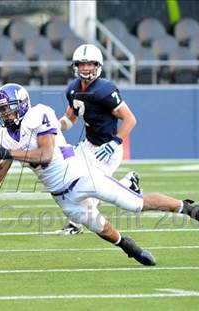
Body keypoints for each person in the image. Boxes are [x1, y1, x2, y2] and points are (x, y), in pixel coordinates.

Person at [0, 83, 199, 266]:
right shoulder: (3, 135)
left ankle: (196, 210)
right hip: (59, 194)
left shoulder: (39, 114)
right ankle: (130, 248)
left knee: (134, 204)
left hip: (80, 175)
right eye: (0, 110)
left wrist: (7, 153)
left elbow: (45, 155)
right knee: (98, 226)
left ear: (22, 105)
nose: (5, 115)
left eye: (8, 109)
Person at [57, 43, 141, 235]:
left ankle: (75, 224)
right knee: (69, 179)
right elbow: (71, 118)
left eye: (90, 64)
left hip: (107, 149)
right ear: (75, 66)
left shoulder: (105, 89)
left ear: (98, 66)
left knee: (90, 190)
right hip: (87, 146)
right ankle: (129, 183)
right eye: (81, 64)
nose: (85, 68)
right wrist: (56, 125)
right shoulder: (72, 89)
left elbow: (130, 119)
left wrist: (115, 142)